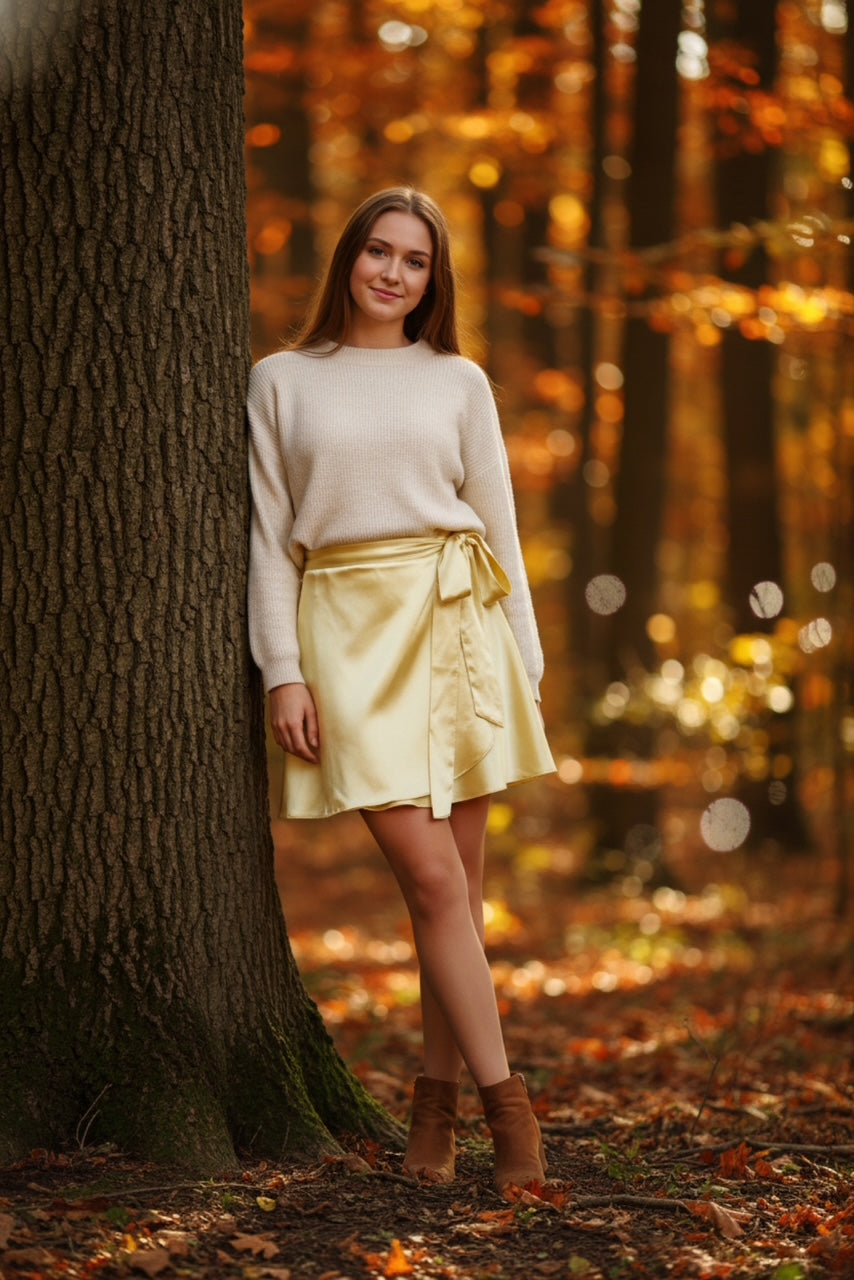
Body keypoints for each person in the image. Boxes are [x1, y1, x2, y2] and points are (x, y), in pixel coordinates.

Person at [247, 186, 555, 1191]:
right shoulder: (281, 381)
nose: (390, 272)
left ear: (433, 280)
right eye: (376, 251)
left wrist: (527, 668)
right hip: (342, 632)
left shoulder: (457, 380)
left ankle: (436, 1107)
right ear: (347, 259)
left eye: (413, 260)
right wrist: (282, 668)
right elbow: (268, 540)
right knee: (429, 883)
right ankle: (514, 1115)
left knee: (454, 895)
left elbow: (498, 528)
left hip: (456, 625)